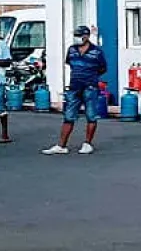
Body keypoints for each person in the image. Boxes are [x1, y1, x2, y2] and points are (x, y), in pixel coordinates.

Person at [42, 26, 108, 155]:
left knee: (91, 115)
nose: (77, 38)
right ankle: (61, 145)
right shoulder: (71, 50)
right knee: (68, 116)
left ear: (86, 36)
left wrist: (91, 76)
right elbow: (70, 63)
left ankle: (87, 143)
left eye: (79, 35)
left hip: (90, 87)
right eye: (76, 35)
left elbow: (103, 68)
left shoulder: (97, 52)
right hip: (74, 86)